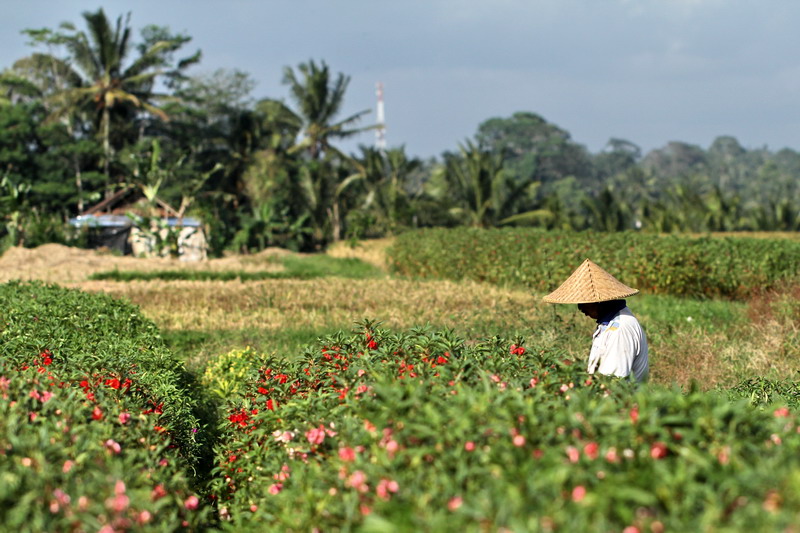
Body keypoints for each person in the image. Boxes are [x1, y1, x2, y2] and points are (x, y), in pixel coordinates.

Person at [542, 259, 649, 382]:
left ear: (600, 301)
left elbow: (612, 383)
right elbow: (600, 375)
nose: (580, 308)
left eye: (585, 302)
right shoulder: (609, 323)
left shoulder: (619, 330)